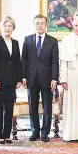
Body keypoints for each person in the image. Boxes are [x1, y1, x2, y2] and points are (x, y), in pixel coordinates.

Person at [21, 14, 59, 142]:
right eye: (37, 23)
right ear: (34, 24)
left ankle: (44, 133)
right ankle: (34, 131)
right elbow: (24, 60)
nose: (39, 25)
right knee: (33, 105)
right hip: (31, 78)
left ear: (46, 25)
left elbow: (55, 62)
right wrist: (23, 77)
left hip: (47, 79)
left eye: (42, 23)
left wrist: (54, 78)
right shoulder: (27, 39)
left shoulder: (52, 41)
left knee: (47, 106)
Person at [0, 16, 23, 144]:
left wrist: (19, 79)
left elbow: (18, 62)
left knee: (9, 108)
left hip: (11, 80)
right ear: (1, 27)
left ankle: (7, 134)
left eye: (10, 26)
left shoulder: (15, 43)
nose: (7, 28)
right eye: (5, 26)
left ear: (13, 28)